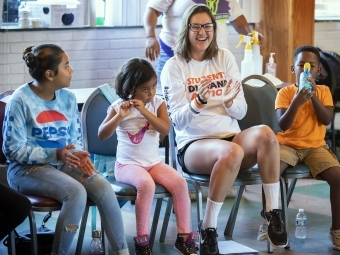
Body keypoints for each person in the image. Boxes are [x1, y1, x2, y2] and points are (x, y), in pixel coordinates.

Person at [160, 4, 288, 254]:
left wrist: (230, 102)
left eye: (207, 26)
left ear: (214, 29)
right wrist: (198, 102)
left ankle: (272, 212)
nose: (202, 32)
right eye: (195, 26)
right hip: (194, 144)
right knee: (232, 152)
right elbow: (177, 122)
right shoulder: (174, 66)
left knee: (267, 135)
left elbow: (240, 111)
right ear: (186, 29)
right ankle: (208, 227)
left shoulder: (225, 57)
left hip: (230, 137)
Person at [2, 44, 130, 255]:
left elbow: (75, 139)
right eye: (67, 66)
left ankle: (121, 252)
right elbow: (12, 150)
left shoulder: (68, 98)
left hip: (63, 163)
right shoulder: (20, 100)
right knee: (76, 192)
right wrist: (55, 154)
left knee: (104, 188)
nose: (72, 70)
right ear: (50, 74)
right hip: (25, 171)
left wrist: (78, 154)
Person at [98, 57, 199, 255]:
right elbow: (102, 134)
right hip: (126, 166)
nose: (151, 92)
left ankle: (183, 237)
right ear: (130, 88)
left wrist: (144, 111)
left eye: (153, 86)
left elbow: (164, 128)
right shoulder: (117, 106)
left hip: (153, 164)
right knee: (146, 184)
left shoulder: (157, 104)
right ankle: (142, 240)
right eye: (145, 89)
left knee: (179, 183)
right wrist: (119, 116)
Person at [257, 45, 340, 250]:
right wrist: (297, 100)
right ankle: (270, 220)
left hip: (315, 146)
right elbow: (283, 125)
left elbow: (327, 119)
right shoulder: (285, 93)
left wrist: (311, 96)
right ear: (293, 69)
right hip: (287, 144)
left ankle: (337, 230)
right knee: (272, 172)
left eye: (311, 66)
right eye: (301, 65)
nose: (306, 69)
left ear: (318, 71)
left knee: (337, 177)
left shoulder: (323, 91)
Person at [144, 0, 260, 94]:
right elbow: (152, 9)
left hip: (213, 60)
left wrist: (250, 34)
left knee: (211, 100)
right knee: (171, 102)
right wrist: (150, 36)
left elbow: (237, 18)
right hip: (174, 54)